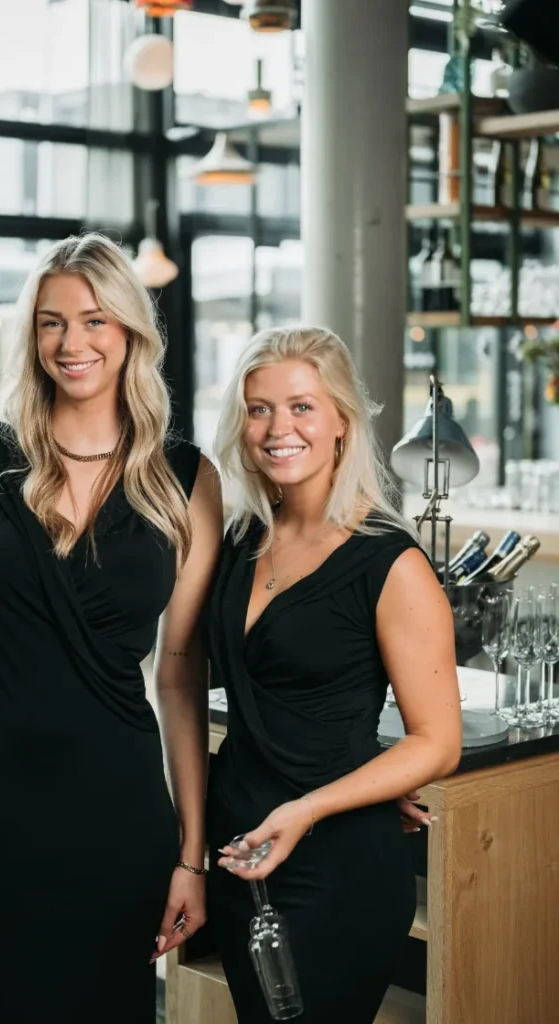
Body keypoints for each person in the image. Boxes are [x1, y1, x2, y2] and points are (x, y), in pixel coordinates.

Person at [0, 233, 222, 1023]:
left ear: (130, 332)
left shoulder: (186, 478)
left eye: (93, 320)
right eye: (50, 323)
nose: (71, 343)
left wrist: (192, 855)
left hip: (112, 814)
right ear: (30, 334)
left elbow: (180, 672)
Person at [207, 326, 462, 1024]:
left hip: (336, 865)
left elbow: (437, 742)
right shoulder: (239, 540)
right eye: (258, 408)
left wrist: (312, 806)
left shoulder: (389, 562)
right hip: (239, 853)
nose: (277, 428)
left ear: (342, 420)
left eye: (301, 407)